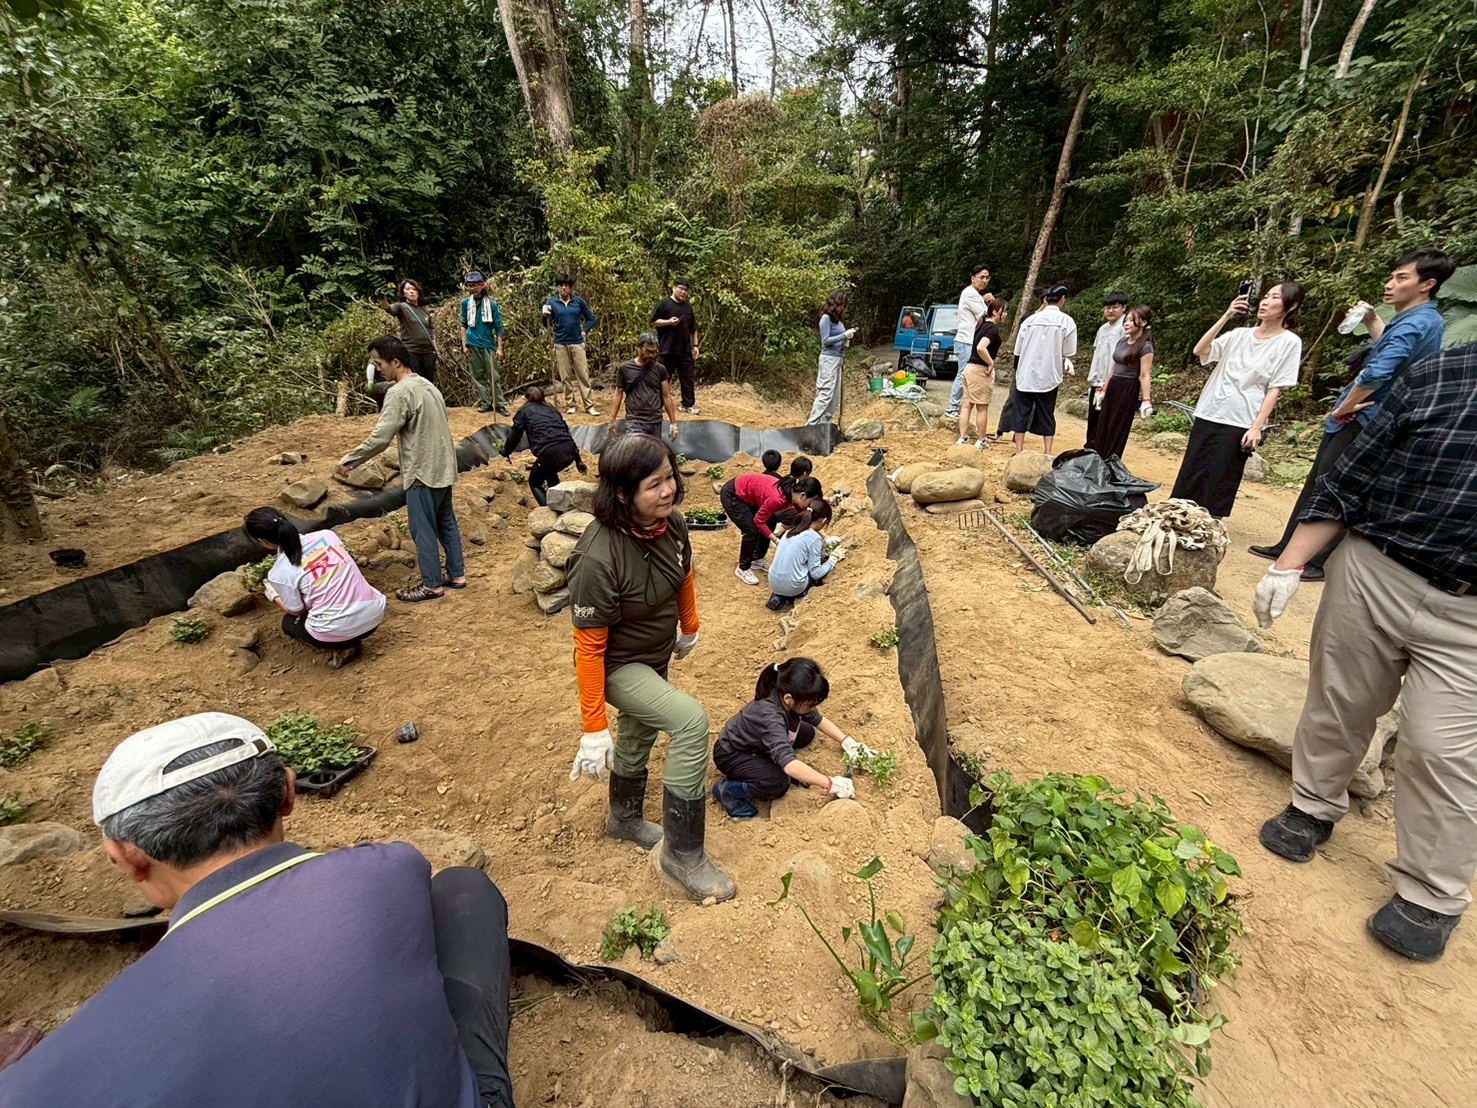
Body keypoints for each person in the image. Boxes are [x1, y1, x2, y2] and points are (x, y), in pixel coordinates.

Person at [0, 712, 513, 1106]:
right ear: (288, 792)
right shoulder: (388, 868)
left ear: (126, 857)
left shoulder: (44, 1075)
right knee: (462, 888)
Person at [1251, 339, 1477, 963]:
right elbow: (1351, 478)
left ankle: (1431, 891)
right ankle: (1313, 805)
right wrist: (1289, 564)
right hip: (1377, 569)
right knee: (1340, 700)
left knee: (1444, 750)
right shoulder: (1441, 371)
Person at [565, 434, 736, 903]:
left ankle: (623, 819)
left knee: (639, 733)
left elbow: (683, 573)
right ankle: (682, 855)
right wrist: (593, 728)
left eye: (670, 477)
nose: (669, 490)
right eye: (654, 484)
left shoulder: (671, 524)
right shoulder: (598, 557)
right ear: (623, 494)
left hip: (656, 653)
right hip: (618, 665)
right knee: (689, 721)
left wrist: (689, 625)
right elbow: (589, 649)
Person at [1249, 249, 1453, 580]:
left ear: (1427, 284)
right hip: (1360, 416)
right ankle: (1288, 548)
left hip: (1363, 417)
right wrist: (1372, 321)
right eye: (1392, 276)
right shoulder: (1419, 319)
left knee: (1335, 487)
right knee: (1319, 482)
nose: (1390, 284)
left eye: (1401, 278)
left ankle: (1314, 561)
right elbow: (1392, 348)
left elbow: (1378, 372)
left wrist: (1345, 406)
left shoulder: (1418, 322)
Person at [338, 336, 464, 603]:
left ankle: (431, 585)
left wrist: (350, 460)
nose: (378, 369)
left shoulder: (398, 392)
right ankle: (457, 575)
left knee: (422, 528)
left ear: (395, 362)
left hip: (421, 469)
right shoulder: (427, 385)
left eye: (379, 363)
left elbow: (381, 438)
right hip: (443, 466)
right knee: (446, 522)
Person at [1170, 282, 1304, 518]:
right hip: (1210, 409)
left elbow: (1275, 388)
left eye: (1275, 297)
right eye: (1266, 296)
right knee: (1192, 470)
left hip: (1241, 417)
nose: (1265, 301)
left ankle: (1210, 526)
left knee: (1222, 477)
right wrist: (1226, 316)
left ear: (1290, 306)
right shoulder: (1239, 334)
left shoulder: (1289, 342)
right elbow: (1200, 350)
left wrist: (1257, 427)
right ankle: (1178, 518)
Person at [711, 659, 873, 818]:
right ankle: (728, 791)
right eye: (810, 704)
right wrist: (830, 783)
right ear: (789, 699)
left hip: (756, 742)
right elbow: (790, 767)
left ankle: (769, 758)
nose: (813, 708)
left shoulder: (787, 694)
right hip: (732, 754)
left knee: (806, 732)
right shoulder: (770, 717)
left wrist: (847, 742)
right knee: (778, 783)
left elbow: (817, 719)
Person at [243, 508, 385, 669]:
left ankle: (343, 646)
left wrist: (274, 596)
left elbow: (296, 610)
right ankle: (347, 635)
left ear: (264, 541)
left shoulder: (280, 571)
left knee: (289, 623)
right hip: (374, 615)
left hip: (339, 630)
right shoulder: (327, 535)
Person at [1008, 284, 1078, 455]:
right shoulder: (1066, 322)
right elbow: (1069, 351)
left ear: (1046, 300)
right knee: (1047, 412)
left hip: (1026, 372)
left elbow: (1018, 350)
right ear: (1062, 300)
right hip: (1049, 373)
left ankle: (1019, 450)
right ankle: (1047, 452)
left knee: (1021, 411)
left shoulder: (1030, 321)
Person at [721, 472, 823, 585]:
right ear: (803, 495)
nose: (809, 505)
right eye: (810, 502)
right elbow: (758, 521)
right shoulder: (777, 498)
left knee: (771, 520)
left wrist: (825, 537)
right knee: (751, 531)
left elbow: (806, 517)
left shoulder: (794, 495)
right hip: (734, 494)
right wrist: (776, 540)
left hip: (749, 494)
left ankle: (757, 558)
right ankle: (743, 568)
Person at [1086, 304, 1155, 462]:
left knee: (1117, 425)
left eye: (1131, 320)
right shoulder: (1122, 341)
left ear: (1143, 322)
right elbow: (1114, 367)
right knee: (1103, 423)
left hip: (1128, 388)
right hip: (1114, 385)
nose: (1127, 323)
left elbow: (1144, 375)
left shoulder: (1146, 346)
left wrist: (1146, 400)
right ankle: (1098, 459)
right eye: (1126, 320)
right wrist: (1104, 389)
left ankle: (1111, 461)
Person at [500, 386, 588, 507]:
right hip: (570, 452)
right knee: (549, 472)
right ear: (543, 397)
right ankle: (559, 505)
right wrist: (578, 460)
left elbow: (515, 435)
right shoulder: (552, 409)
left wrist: (506, 450)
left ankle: (547, 511)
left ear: (526, 398)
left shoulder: (524, 411)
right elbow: (565, 433)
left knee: (534, 482)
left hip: (550, 453)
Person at [764, 499, 839, 611]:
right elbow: (816, 573)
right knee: (816, 567)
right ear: (824, 521)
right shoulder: (814, 538)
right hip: (794, 587)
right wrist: (832, 560)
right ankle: (797, 594)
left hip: (773, 582)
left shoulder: (790, 531)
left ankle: (778, 597)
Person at [542, 274, 599, 416]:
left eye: (566, 285)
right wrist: (545, 315)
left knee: (583, 375)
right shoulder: (552, 302)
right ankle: (571, 404)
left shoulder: (578, 302)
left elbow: (591, 319)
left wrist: (585, 332)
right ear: (558, 287)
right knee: (565, 376)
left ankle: (589, 405)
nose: (563, 288)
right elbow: (547, 324)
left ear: (570, 288)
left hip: (577, 343)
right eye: (561, 285)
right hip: (560, 343)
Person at [607, 332, 679, 441]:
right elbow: (618, 393)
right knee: (635, 449)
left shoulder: (660, 369)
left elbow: (666, 396)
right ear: (638, 348)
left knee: (653, 450)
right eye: (647, 351)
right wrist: (612, 420)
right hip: (634, 420)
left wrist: (673, 423)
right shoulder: (625, 368)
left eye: (654, 352)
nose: (651, 355)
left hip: (654, 420)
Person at [957, 298, 1007, 449]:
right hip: (980, 371)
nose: (1005, 314)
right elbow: (981, 347)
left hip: (969, 368)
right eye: (1004, 311)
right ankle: (981, 440)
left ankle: (963, 438)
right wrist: (990, 362)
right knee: (982, 408)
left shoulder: (981, 326)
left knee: (966, 406)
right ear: (995, 312)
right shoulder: (991, 329)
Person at [947, 264, 992, 418]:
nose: (984, 280)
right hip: (965, 340)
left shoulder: (977, 295)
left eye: (987, 277)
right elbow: (986, 315)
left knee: (967, 375)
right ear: (973, 278)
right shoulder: (970, 294)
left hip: (970, 341)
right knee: (963, 374)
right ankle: (952, 407)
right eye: (981, 277)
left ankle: (959, 407)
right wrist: (992, 304)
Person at [459, 271, 506, 415]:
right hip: (472, 344)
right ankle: (485, 402)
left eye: (475, 285)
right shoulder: (465, 303)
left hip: (488, 344)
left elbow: (498, 327)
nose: (472, 288)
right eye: (469, 285)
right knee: (477, 376)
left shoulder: (492, 304)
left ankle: (499, 404)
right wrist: (464, 344)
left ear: (482, 285)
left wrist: (500, 348)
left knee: (494, 376)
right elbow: (463, 325)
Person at [652, 278, 701, 414]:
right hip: (667, 349)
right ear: (674, 288)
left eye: (686, 290)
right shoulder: (664, 304)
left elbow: (693, 329)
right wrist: (668, 322)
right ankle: (658, 405)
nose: (683, 292)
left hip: (685, 350)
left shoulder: (688, 307)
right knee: (662, 378)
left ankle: (687, 405)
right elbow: (653, 321)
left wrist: (695, 345)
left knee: (687, 378)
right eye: (681, 289)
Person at [808, 291, 856, 425]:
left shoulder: (838, 321)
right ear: (835, 304)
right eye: (841, 305)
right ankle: (811, 425)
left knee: (834, 396)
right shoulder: (825, 319)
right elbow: (826, 341)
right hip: (828, 359)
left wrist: (845, 341)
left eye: (844, 306)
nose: (842, 308)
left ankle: (823, 425)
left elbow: (838, 339)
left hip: (838, 359)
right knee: (825, 394)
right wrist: (843, 336)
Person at [1086, 293, 1128, 443]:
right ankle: (1090, 448)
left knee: (1106, 420)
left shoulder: (1125, 327)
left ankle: (1101, 450)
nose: (1110, 311)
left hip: (1113, 380)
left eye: (1115, 307)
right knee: (1094, 419)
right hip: (1097, 380)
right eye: (1107, 307)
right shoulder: (1103, 329)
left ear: (1123, 308)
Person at [379, 279, 439, 383]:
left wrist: (437, 351)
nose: (411, 291)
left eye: (414, 289)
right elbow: (388, 309)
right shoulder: (401, 307)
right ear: (403, 293)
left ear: (418, 292)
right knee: (413, 381)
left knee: (428, 382)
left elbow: (431, 333)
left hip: (428, 352)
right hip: (412, 351)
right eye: (407, 289)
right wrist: (382, 299)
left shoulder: (424, 311)